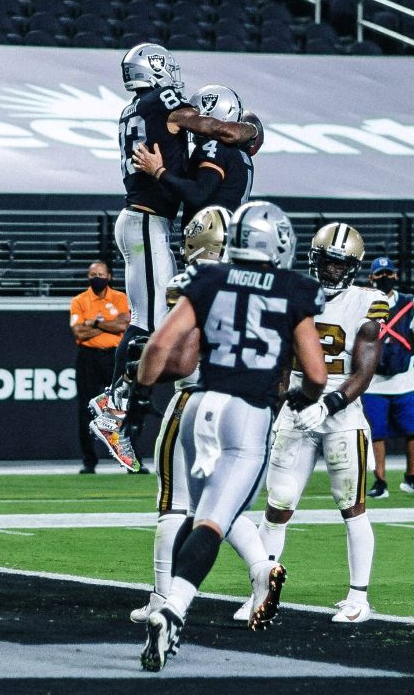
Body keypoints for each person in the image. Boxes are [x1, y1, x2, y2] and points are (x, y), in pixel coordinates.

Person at [130, 201, 328, 672]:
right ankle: (174, 610)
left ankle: (174, 603)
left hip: (200, 406)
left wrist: (140, 392)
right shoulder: (292, 288)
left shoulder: (208, 279)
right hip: (248, 414)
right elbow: (316, 373)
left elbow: (159, 347)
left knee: (199, 514)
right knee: (213, 523)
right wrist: (300, 395)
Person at [92, 44, 263, 469]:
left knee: (153, 321)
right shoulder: (168, 104)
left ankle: (120, 402)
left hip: (147, 221)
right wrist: (243, 129)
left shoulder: (134, 109)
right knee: (148, 321)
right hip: (146, 221)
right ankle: (113, 404)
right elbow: (211, 129)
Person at [248, 223, 388, 626]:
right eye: (325, 261)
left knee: (352, 506)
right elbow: (279, 358)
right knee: (278, 504)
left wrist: (329, 404)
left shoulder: (368, 301)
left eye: (338, 263)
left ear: (353, 267)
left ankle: (358, 597)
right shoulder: (293, 292)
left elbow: (364, 368)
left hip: (340, 413)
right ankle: (259, 592)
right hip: (295, 406)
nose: (329, 270)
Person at [362, 257, 414, 499]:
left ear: (396, 275)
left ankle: (412, 477)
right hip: (373, 379)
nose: (386, 277)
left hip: (404, 377)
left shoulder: (409, 303)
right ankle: (379, 480)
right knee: (376, 433)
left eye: (389, 273)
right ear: (371, 277)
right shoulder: (361, 300)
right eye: (380, 273)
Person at [131, 84, 255, 225]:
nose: (192, 120)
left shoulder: (214, 146)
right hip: (227, 232)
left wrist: (158, 171)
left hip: (211, 239)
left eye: (196, 115)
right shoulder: (240, 152)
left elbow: (198, 194)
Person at [69, 261, 129, 474]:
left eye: (100, 274)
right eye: (92, 274)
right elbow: (78, 332)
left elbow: (123, 325)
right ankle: (89, 461)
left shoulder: (120, 298)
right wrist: (107, 327)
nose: (96, 277)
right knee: (86, 409)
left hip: (113, 356)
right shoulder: (79, 300)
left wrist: (93, 323)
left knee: (122, 407)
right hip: (88, 358)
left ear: (109, 276)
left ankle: (130, 458)